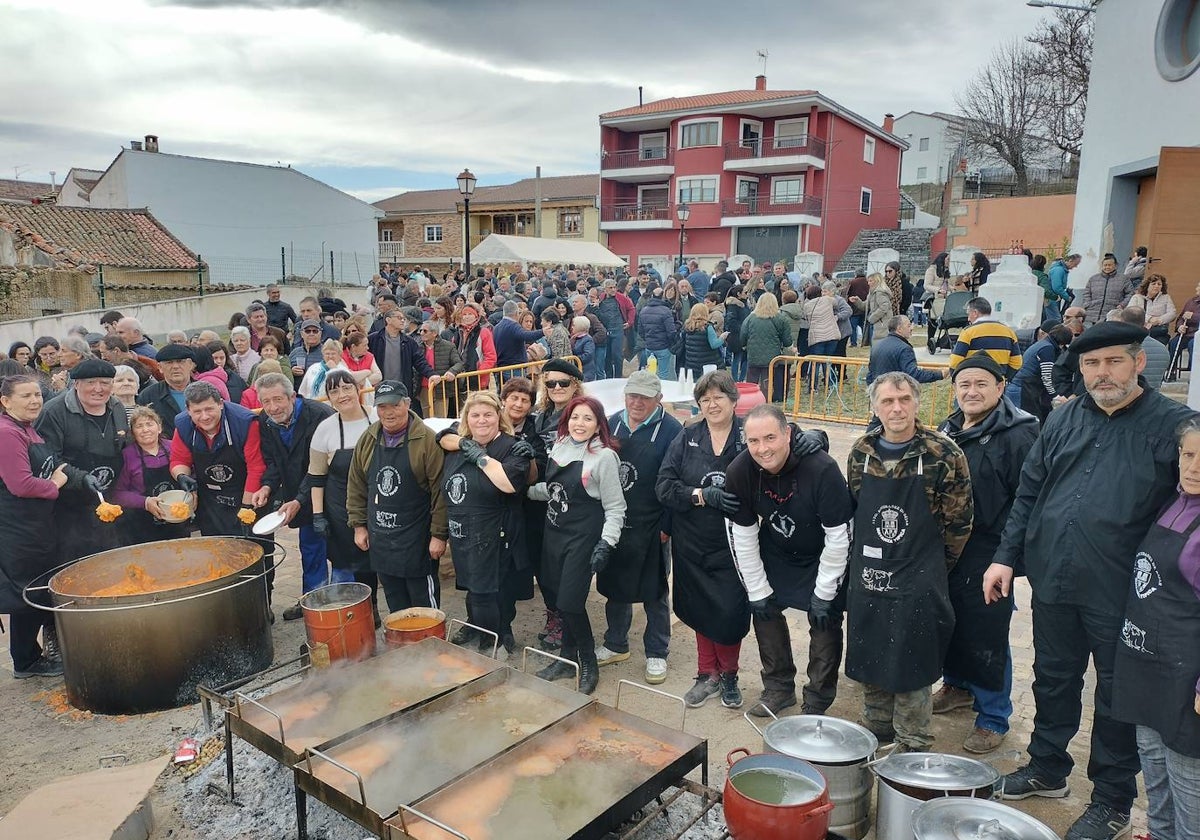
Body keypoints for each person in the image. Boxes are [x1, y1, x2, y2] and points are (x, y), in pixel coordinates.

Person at [984, 321, 1197, 840]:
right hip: (1056, 575)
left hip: (1127, 590)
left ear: (1139, 362)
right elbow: (1030, 491)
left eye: (1113, 362)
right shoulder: (1063, 420)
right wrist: (1006, 556)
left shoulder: (1174, 427)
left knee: (1117, 696)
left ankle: (1112, 798)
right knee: (1054, 677)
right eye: (1091, 364)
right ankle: (1047, 768)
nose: (1102, 374)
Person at [846, 372, 973, 751]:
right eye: (887, 401)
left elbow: (960, 522)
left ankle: (912, 740)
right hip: (869, 574)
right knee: (870, 649)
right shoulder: (861, 452)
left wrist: (932, 567)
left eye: (904, 399)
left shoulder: (943, 453)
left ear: (917, 402)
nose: (896, 408)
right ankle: (877, 724)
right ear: (875, 406)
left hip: (919, 575)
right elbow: (854, 507)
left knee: (913, 658)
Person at [934, 356, 1039, 754]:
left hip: (991, 548)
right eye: (964, 385)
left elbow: (1026, 501)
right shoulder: (950, 428)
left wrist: (1007, 556)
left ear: (1000, 387)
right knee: (951, 620)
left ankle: (993, 715)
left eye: (981, 384)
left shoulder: (1019, 434)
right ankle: (957, 686)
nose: (971, 392)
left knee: (987, 631)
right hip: (951, 545)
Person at [723, 405, 848, 716]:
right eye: (754, 441)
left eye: (770, 438)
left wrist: (825, 592)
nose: (763, 449)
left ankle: (817, 701)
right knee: (764, 610)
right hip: (777, 548)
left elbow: (840, 534)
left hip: (823, 551)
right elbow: (741, 532)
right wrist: (756, 589)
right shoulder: (740, 471)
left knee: (824, 619)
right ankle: (778, 687)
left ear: (788, 434)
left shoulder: (821, 468)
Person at [1112, 416, 1200, 840]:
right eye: (1188, 454)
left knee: (1187, 776)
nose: (1195, 466)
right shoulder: (1174, 500)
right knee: (1153, 761)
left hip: (1186, 675)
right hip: (1145, 662)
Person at [654, 371, 749, 708]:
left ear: (733, 400)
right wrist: (700, 495)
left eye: (718, 397)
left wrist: (815, 438)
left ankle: (730, 674)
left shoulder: (749, 433)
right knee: (699, 606)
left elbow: (784, 446)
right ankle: (706, 672)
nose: (712, 404)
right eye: (705, 399)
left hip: (736, 542)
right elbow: (664, 485)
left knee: (730, 611)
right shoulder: (688, 435)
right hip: (692, 538)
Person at [589, 372, 683, 684]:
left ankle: (657, 652)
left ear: (658, 398)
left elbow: (676, 481)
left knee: (654, 591)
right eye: (632, 395)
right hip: (616, 521)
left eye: (644, 397)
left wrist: (667, 524)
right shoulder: (612, 423)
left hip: (652, 523)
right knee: (615, 587)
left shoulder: (672, 430)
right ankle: (616, 643)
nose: (636, 402)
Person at [529, 395, 626, 695]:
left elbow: (615, 507)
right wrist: (523, 489)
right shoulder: (559, 445)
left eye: (587, 418)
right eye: (574, 417)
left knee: (571, 602)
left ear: (598, 425)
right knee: (559, 602)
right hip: (554, 535)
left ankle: (588, 661)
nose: (579, 424)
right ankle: (565, 658)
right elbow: (555, 490)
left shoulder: (604, 457)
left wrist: (607, 543)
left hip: (583, 540)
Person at [438, 391, 533, 659]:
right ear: (466, 419)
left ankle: (493, 644)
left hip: (496, 533)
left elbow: (509, 483)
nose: (482, 420)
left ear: (499, 416)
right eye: (475, 415)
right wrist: (465, 444)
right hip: (463, 533)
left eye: (488, 414)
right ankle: (481, 630)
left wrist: (478, 455)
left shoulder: (512, 446)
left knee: (490, 592)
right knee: (473, 590)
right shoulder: (458, 444)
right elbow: (442, 436)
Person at [346, 381, 447, 614]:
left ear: (407, 403)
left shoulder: (427, 441)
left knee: (424, 605)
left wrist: (439, 535)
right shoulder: (369, 438)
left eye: (394, 405)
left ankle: (429, 646)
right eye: (382, 407)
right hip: (381, 538)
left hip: (417, 540)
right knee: (395, 602)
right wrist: (359, 526)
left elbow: (440, 493)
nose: (388, 412)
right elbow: (356, 485)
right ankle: (403, 647)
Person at [251, 373, 340, 620]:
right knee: (310, 547)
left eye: (277, 399)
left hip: (331, 492)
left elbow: (321, 466)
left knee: (341, 549)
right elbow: (272, 460)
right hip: (300, 496)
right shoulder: (266, 421)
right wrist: (267, 486)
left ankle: (346, 605)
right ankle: (313, 600)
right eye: (266, 402)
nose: (272, 407)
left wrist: (299, 499)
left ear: (292, 396)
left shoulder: (320, 416)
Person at [0, 374, 69, 679]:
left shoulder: (25, 428)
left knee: (35, 588)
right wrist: (54, 484)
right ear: (5, 401)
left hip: (36, 524)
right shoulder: (6, 433)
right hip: (16, 526)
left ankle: (30, 656)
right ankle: (25, 661)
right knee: (25, 592)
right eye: (25, 396)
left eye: (38, 395)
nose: (34, 401)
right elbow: (20, 484)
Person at [35, 358, 130, 565]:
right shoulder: (54, 412)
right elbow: (47, 459)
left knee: (114, 558)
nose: (98, 389)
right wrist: (81, 478)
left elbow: (125, 448)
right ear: (76, 384)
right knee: (76, 562)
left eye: (105, 382)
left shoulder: (117, 408)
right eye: (90, 382)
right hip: (69, 504)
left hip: (109, 498)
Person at [308, 370, 379, 622]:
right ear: (329, 398)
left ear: (358, 389)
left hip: (381, 500)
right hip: (343, 507)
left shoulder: (378, 417)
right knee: (360, 564)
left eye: (346, 388)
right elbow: (316, 477)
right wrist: (318, 515)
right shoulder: (324, 430)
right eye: (334, 391)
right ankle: (371, 612)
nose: (342, 395)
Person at [169, 381, 265, 537]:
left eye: (209, 409)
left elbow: (256, 468)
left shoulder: (245, 423)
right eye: (197, 411)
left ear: (220, 403)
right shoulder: (183, 425)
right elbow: (178, 460)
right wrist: (182, 476)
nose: (204, 417)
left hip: (246, 492)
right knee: (216, 547)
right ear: (188, 411)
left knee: (254, 547)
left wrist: (246, 508)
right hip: (210, 499)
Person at [111, 406, 190, 545]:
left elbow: (191, 475)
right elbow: (117, 493)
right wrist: (145, 502)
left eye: (149, 424)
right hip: (142, 526)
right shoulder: (127, 456)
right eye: (139, 426)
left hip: (177, 521)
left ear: (159, 428)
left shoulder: (174, 447)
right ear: (133, 433)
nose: (145, 429)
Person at [369, 306, 439, 416]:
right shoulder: (373, 339)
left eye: (403, 318)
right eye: (399, 318)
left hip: (402, 389)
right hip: (379, 389)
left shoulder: (408, 342)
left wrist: (431, 374)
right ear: (388, 320)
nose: (403, 321)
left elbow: (420, 361)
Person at [1006, 325, 1074, 421]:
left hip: (1017, 387)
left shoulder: (1042, 344)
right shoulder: (1047, 349)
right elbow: (1047, 377)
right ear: (1062, 342)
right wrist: (1056, 396)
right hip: (1022, 389)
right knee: (1021, 423)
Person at [948, 298, 1022, 380]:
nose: (968, 319)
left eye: (968, 314)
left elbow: (955, 361)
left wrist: (957, 378)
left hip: (974, 381)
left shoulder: (968, 332)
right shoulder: (1009, 332)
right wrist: (1003, 377)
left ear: (975, 313)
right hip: (998, 383)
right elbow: (1017, 362)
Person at [868, 316, 949, 386]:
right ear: (899, 329)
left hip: (878, 394)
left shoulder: (877, 345)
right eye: (909, 325)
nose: (912, 328)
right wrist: (939, 374)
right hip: (895, 393)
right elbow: (913, 374)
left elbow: (870, 374)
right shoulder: (904, 348)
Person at [136, 343, 195, 437]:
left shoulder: (206, 392)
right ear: (160, 367)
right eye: (169, 363)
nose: (175, 366)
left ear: (191, 365)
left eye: (180, 361)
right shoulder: (148, 396)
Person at [742, 293, 792, 402]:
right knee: (767, 381)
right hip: (772, 356)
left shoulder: (750, 318)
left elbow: (743, 335)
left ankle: (749, 401)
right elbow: (787, 341)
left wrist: (745, 346)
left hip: (753, 354)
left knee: (751, 379)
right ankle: (764, 402)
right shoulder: (780, 319)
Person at [415, 320, 463, 418]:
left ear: (434, 333)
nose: (421, 333)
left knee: (440, 417)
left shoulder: (448, 346)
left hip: (441, 388)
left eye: (425, 331)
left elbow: (458, 363)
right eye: (420, 331)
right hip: (423, 388)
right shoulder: (417, 347)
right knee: (427, 419)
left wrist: (452, 372)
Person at [637, 288, 679, 380]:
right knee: (663, 374)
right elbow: (671, 332)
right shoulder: (666, 311)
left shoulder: (644, 310)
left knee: (651, 373)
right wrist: (672, 343)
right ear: (662, 296)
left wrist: (648, 339)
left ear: (652, 296)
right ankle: (662, 393)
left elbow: (640, 330)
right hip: (663, 347)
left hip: (649, 346)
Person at [1127, 273, 1176, 345]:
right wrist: (1149, 319)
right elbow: (1130, 312)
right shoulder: (1137, 297)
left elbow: (1172, 313)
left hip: (1158, 330)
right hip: (1139, 329)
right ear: (1147, 285)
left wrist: (1159, 320)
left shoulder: (1166, 297)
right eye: (1153, 284)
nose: (1156, 286)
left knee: (1161, 342)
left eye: (1159, 284)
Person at [681, 303, 725, 382]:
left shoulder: (687, 326)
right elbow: (714, 344)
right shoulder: (707, 327)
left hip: (691, 363)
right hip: (708, 363)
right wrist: (722, 338)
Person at [1082, 254, 1126, 327]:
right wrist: (1087, 304)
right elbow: (1087, 293)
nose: (1107, 267)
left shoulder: (1123, 279)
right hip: (1093, 312)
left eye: (1109, 265)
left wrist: (1122, 305)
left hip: (1111, 312)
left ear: (1115, 266)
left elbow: (1130, 293)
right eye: (1105, 265)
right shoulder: (1093, 279)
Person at [864, 272, 893, 348]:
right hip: (874, 323)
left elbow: (884, 307)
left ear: (877, 281)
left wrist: (872, 318)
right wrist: (857, 301)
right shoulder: (872, 293)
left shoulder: (879, 293)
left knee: (878, 347)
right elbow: (866, 306)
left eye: (870, 281)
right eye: (868, 281)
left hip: (880, 324)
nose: (868, 283)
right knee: (874, 346)